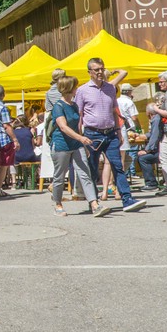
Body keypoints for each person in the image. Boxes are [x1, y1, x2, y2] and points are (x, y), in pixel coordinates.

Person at [75, 58, 146, 213]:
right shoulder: (82, 90)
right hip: (92, 134)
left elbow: (114, 111)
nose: (100, 72)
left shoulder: (110, 88)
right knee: (93, 169)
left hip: (111, 133)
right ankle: (93, 203)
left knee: (118, 167)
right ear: (89, 72)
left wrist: (119, 131)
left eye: (101, 69)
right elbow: (79, 116)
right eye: (96, 69)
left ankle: (127, 199)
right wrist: (80, 138)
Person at [47, 76, 109, 217]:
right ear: (69, 89)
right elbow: (63, 127)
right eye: (75, 86)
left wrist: (82, 143)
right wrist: (81, 138)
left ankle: (94, 204)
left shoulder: (74, 105)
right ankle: (57, 203)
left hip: (76, 145)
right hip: (61, 145)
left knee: (85, 173)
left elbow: (77, 126)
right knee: (59, 176)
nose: (77, 89)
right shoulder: (58, 106)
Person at [117, 83, 140, 182]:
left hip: (119, 127)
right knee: (132, 151)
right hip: (129, 127)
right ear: (129, 91)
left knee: (121, 153)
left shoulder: (117, 100)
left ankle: (126, 173)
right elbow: (134, 117)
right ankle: (131, 172)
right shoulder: (129, 102)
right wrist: (139, 128)